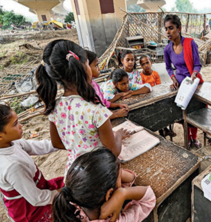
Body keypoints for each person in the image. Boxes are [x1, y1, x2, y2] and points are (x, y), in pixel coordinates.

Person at [35, 39, 129, 174]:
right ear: (83, 67)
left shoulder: (54, 107)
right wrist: (119, 135)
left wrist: (78, 150)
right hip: (98, 173)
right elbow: (113, 151)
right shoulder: (96, 110)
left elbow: (57, 143)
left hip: (74, 172)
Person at [0, 105, 64, 222]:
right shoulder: (12, 166)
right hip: (30, 209)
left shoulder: (11, 143)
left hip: (37, 190)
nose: (21, 125)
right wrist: (62, 194)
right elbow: (36, 199)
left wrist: (67, 142)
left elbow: (42, 147)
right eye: (15, 124)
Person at [51, 148, 156, 222]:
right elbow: (149, 199)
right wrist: (122, 193)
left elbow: (131, 177)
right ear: (109, 194)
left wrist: (114, 170)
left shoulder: (74, 199)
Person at [164, 14, 203, 148]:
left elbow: (198, 64)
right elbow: (169, 68)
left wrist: (194, 74)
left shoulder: (190, 43)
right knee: (183, 114)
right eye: (166, 29)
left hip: (192, 84)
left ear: (179, 28)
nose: (168, 32)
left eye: (171, 28)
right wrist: (173, 78)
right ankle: (187, 138)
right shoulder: (167, 49)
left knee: (194, 113)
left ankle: (194, 138)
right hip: (180, 85)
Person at [86, 50, 130, 119]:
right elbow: (95, 116)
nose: (99, 68)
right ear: (86, 67)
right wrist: (116, 114)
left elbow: (103, 102)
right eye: (96, 65)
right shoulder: (86, 89)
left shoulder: (94, 84)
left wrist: (118, 105)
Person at [140, 55, 176, 138]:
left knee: (163, 107)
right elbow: (142, 89)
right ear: (141, 66)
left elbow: (159, 86)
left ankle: (164, 129)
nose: (146, 65)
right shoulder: (141, 76)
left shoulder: (155, 74)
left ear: (151, 62)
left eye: (147, 63)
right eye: (143, 64)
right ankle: (163, 131)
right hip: (146, 98)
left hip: (155, 96)